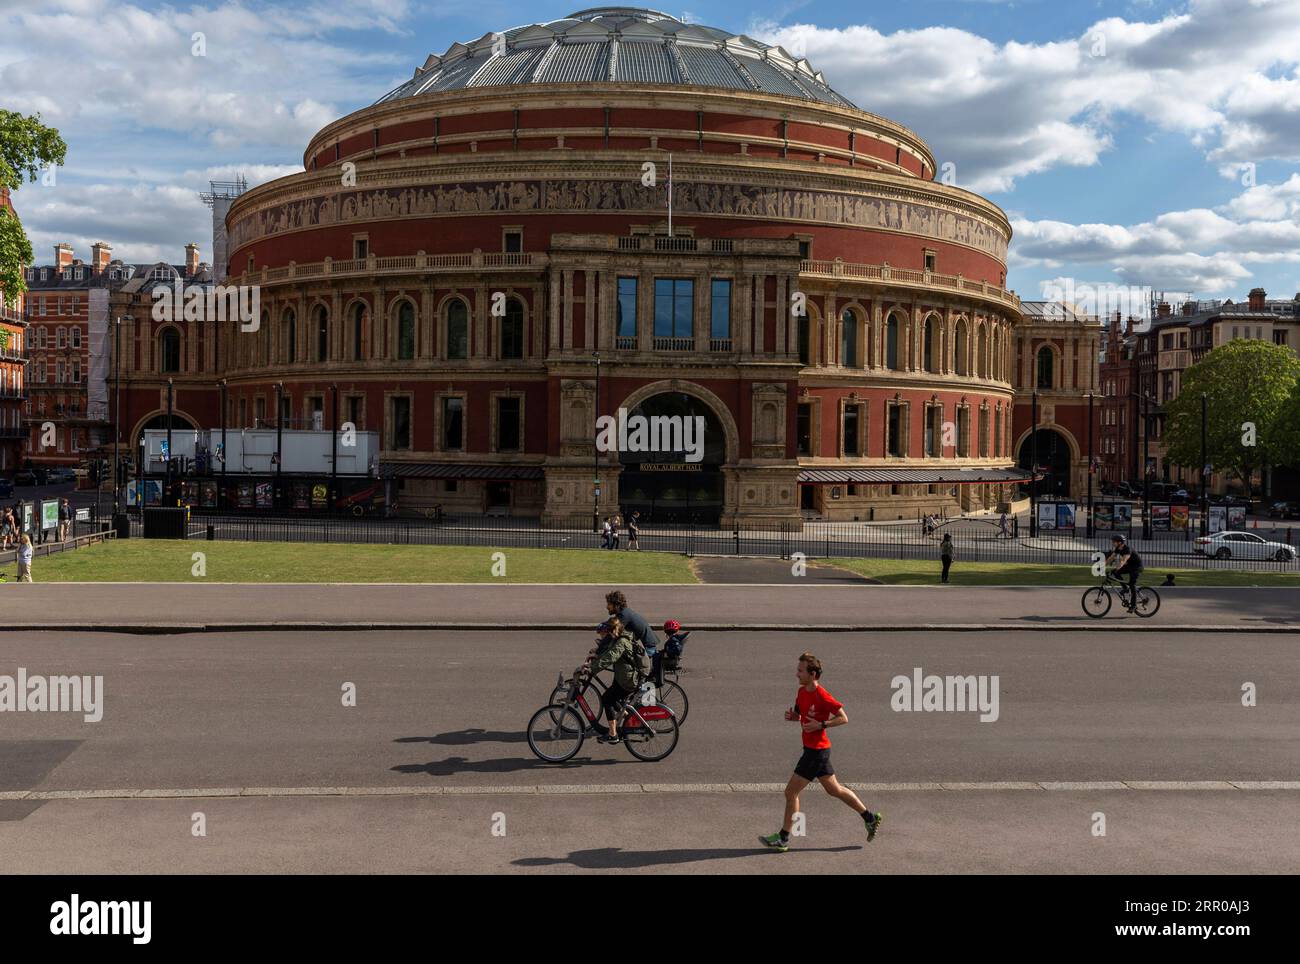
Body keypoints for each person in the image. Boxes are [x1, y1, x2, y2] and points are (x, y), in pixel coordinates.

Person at [760, 652, 881, 852]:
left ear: (813, 674)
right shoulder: (801, 692)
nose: (796, 674)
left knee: (791, 792)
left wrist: (822, 724)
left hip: (816, 752)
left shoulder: (822, 695)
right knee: (835, 790)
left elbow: (844, 717)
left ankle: (783, 838)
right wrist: (794, 717)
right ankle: (870, 817)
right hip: (818, 751)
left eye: (800, 671)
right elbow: (801, 714)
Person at [576, 614, 640, 744]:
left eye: (609, 632)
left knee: (607, 699)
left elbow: (610, 657)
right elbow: (607, 652)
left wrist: (592, 669)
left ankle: (613, 734)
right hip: (623, 676)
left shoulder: (621, 642)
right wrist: (594, 659)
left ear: (614, 630)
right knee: (613, 699)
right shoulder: (619, 638)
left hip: (627, 680)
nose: (608, 635)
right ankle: (631, 719)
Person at [604, 589, 660, 664]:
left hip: (647, 649)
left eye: (609, 604)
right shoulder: (625, 612)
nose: (607, 607)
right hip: (648, 646)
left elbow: (612, 635)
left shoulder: (623, 615)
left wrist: (599, 651)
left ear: (616, 605)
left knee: (622, 662)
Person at [1107, 534, 1144, 611]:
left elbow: (1123, 561)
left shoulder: (1127, 549)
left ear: (1119, 542)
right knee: (1115, 573)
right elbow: (1111, 558)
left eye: (1114, 542)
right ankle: (1125, 588)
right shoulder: (1118, 548)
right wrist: (1102, 565)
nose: (1112, 543)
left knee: (1132, 584)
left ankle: (1133, 606)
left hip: (1137, 567)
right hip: (1130, 566)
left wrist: (1117, 568)